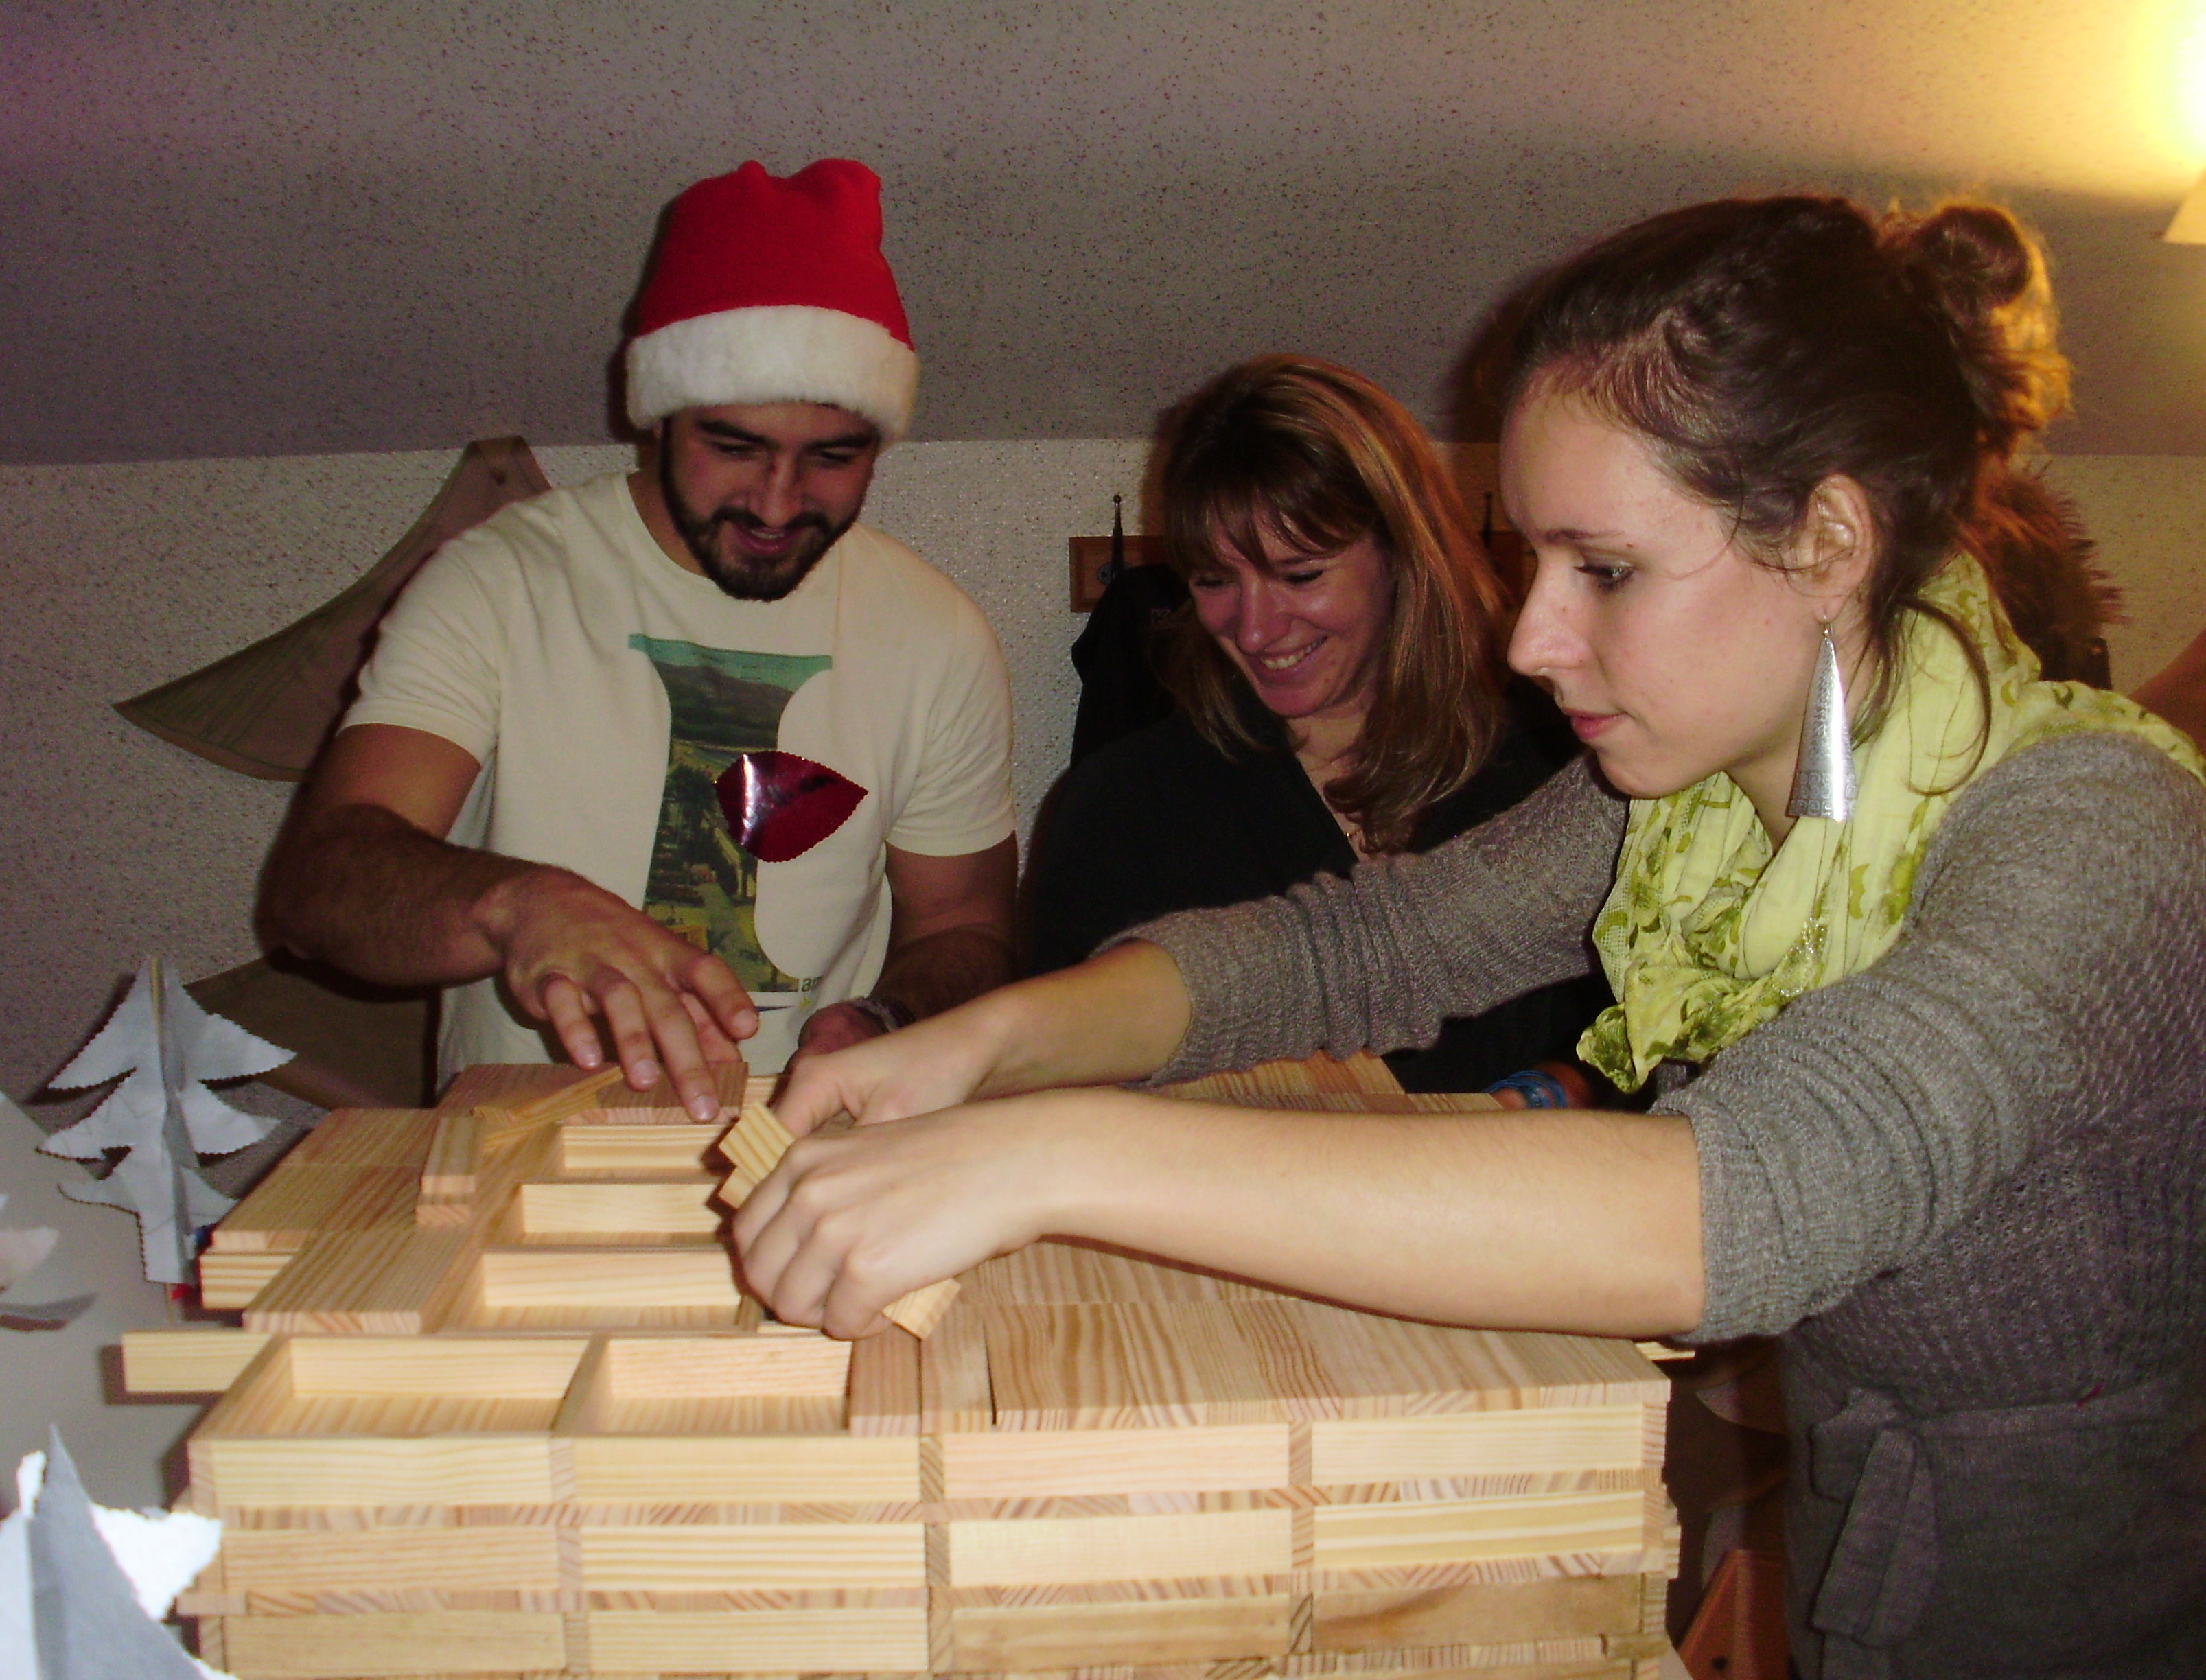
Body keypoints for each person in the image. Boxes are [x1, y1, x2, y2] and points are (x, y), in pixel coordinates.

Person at [736, 196, 2206, 1675]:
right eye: (1538, 561)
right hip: (1867, 1555)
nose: (1529, 638)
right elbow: (1356, 951)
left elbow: (1747, 1195)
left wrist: (1048, 1154)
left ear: (1827, 539)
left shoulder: (2093, 832)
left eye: (1603, 569)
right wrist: (982, 1047)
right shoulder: (1690, 798)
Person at [260, 160, 1017, 1119]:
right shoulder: (501, 582)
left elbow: (966, 925)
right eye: (734, 448)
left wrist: (888, 1015)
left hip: (807, 1159)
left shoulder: (935, 634)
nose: (777, 504)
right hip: (518, 1157)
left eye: (832, 457)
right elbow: (317, 887)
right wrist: (516, 906)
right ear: (658, 418)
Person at [1029, 353, 1606, 1095]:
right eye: (1214, 580)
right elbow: (1059, 1083)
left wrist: (1562, 1088)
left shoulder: (1558, 767)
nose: (1255, 628)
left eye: (1301, 574)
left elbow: (1643, 1033)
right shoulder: (1121, 806)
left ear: (1400, 553)